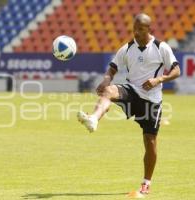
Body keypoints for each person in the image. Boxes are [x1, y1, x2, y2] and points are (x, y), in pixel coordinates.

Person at [77, 13, 180, 194]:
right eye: (134, 28)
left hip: (152, 100)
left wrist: (159, 79)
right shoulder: (127, 48)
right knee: (108, 91)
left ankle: (146, 182)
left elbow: (177, 70)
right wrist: (106, 80)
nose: (136, 32)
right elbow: (112, 68)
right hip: (132, 91)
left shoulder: (161, 47)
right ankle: (93, 119)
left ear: (149, 29)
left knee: (150, 141)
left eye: (140, 29)